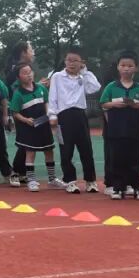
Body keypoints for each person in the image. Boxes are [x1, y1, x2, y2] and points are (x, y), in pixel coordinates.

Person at [47, 46, 101, 194]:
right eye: (68, 60)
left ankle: (91, 181)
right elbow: (52, 97)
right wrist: (52, 115)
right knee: (66, 150)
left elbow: (95, 88)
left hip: (80, 115)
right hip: (64, 116)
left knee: (86, 149)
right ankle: (70, 181)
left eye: (75, 61)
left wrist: (85, 70)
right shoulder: (57, 76)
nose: (71, 63)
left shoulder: (83, 78)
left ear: (81, 62)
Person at [99, 50, 139, 199]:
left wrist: (137, 105)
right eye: (123, 65)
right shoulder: (111, 87)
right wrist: (115, 105)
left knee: (136, 158)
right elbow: (103, 103)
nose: (126, 68)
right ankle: (117, 188)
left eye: (130, 65)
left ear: (136, 68)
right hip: (116, 129)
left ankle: (137, 188)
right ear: (118, 67)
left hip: (135, 129)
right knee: (117, 158)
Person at [8, 63, 56, 191]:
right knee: (30, 153)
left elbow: (46, 102)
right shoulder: (18, 94)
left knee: (49, 151)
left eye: (30, 71)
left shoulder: (41, 88)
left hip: (43, 125)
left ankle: (52, 179)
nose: (29, 74)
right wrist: (26, 120)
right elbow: (15, 112)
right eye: (25, 73)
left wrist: (48, 114)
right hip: (29, 128)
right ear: (19, 77)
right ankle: (31, 180)